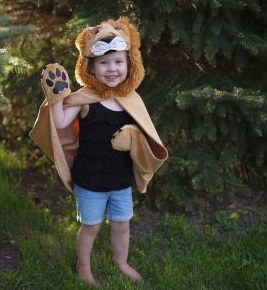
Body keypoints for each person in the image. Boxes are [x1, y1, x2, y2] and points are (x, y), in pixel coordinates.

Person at [30, 17, 168, 284]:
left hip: (120, 178)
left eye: (118, 62)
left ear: (130, 64)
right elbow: (58, 124)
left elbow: (146, 138)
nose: (112, 69)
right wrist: (57, 97)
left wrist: (133, 138)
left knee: (121, 224)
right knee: (91, 226)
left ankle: (122, 263)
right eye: (104, 63)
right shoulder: (85, 99)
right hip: (90, 178)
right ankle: (83, 267)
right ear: (90, 68)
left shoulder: (131, 100)